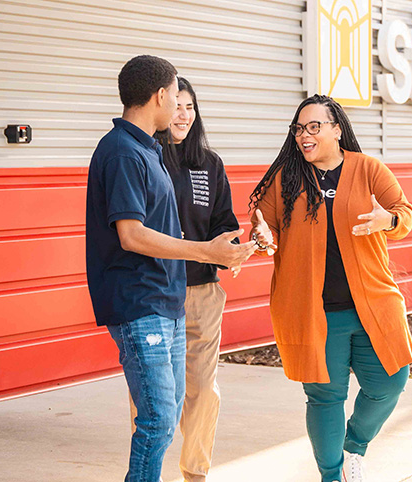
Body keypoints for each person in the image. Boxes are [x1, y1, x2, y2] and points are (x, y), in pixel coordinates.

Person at [85, 55, 256, 482]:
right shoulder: (124, 152)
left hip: (168, 301)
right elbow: (132, 235)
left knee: (172, 406)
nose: (179, 107)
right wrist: (205, 252)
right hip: (140, 302)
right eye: (174, 96)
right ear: (160, 96)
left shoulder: (147, 148)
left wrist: (226, 247)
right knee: (158, 418)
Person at [249, 94, 412, 482]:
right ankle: (331, 475)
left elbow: (404, 214)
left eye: (313, 127)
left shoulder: (368, 169)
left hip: (372, 303)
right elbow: (264, 226)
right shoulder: (285, 179)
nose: (303, 135)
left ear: (337, 129)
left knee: (390, 383)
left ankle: (353, 445)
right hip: (316, 311)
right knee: (325, 399)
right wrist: (261, 235)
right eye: (298, 129)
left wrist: (387, 220)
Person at [127, 76, 239, 482]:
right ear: (161, 105)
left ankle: (195, 471)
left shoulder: (209, 165)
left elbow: (225, 224)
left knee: (203, 391)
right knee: (156, 397)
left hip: (203, 293)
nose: (184, 114)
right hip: (156, 296)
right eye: (177, 105)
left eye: (190, 107)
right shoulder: (146, 158)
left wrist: (244, 242)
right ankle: (150, 462)